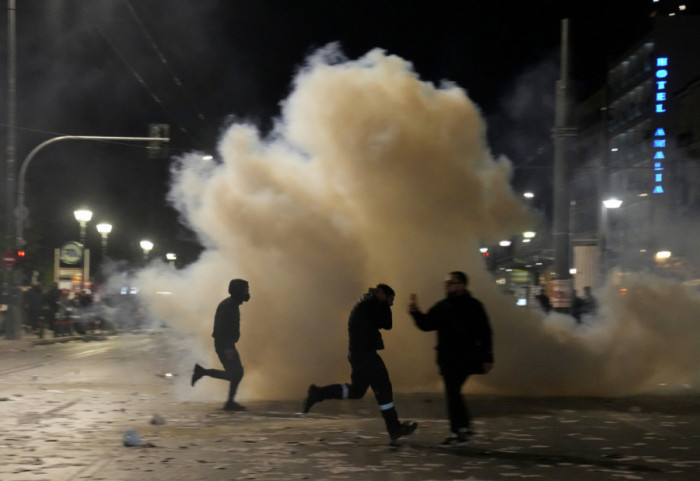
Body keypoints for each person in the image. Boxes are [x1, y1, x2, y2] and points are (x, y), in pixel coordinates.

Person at [303, 284, 417, 442]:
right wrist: (384, 303)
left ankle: (318, 393)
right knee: (383, 387)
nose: (392, 304)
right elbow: (387, 323)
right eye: (391, 299)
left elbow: (383, 323)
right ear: (383, 294)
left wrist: (382, 302)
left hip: (358, 354)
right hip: (365, 354)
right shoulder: (370, 304)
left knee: (357, 391)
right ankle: (394, 428)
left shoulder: (368, 303)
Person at [409, 271, 493, 446]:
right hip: (448, 358)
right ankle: (463, 428)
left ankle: (459, 430)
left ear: (462, 285)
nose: (447, 286)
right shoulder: (443, 306)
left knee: (453, 393)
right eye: (446, 283)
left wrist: (487, 357)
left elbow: (485, 333)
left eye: (452, 283)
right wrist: (415, 312)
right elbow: (427, 324)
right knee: (454, 393)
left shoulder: (474, 306)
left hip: (466, 357)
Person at [191, 279, 250, 411]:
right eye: (245, 290)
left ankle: (229, 401)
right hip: (225, 345)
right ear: (237, 291)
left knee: (236, 373)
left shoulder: (232, 304)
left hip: (226, 344)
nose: (247, 293)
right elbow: (220, 328)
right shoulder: (228, 306)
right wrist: (227, 347)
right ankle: (202, 372)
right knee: (236, 373)